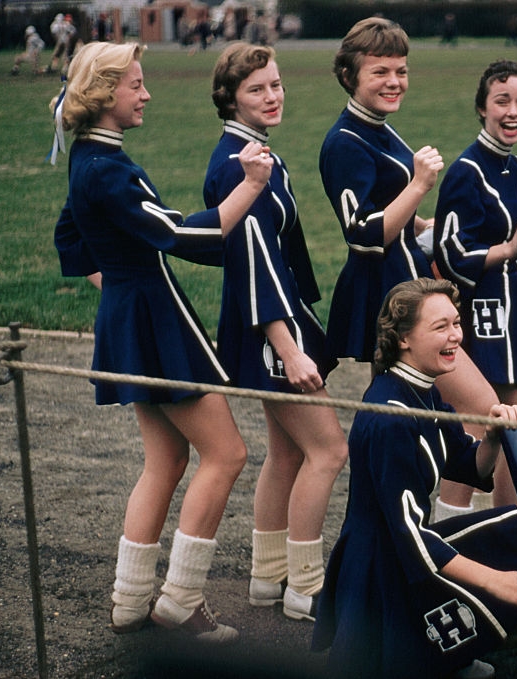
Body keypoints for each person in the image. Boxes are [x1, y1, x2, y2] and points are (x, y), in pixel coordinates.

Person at [52, 41, 274, 643]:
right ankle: (179, 599)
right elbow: (175, 231)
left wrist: (119, 288)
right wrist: (251, 184)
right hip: (155, 320)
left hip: (133, 316)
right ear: (105, 96)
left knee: (167, 460)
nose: (146, 95)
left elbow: (69, 236)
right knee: (226, 455)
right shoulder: (109, 168)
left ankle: (128, 602)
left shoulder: (87, 158)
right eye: (136, 86)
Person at [311, 278, 517, 679]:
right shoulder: (391, 417)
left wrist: (491, 436)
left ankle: (442, 654)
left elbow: (473, 468)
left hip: (407, 550)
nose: (456, 335)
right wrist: (496, 582)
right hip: (382, 570)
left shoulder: (423, 390)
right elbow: (410, 538)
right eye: (441, 327)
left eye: (457, 323)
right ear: (404, 338)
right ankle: (433, 655)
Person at [319, 17, 503, 518]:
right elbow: (362, 232)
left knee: (433, 416)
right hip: (389, 296)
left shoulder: (378, 127)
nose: (395, 81)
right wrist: (419, 185)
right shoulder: (344, 141)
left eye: (401, 70)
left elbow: (393, 218)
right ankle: (447, 529)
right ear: (349, 75)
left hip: (410, 285)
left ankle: (445, 528)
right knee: (481, 410)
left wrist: (428, 223)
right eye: (380, 71)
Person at [203, 42, 348, 623]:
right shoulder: (240, 164)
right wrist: (288, 349)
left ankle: (268, 577)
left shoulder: (255, 153)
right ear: (230, 97)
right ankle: (305, 587)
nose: (273, 96)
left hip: (270, 324)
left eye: (277, 84)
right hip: (270, 331)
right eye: (258, 88)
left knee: (288, 452)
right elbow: (253, 266)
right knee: (328, 450)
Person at [434, 59, 517, 448]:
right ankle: (458, 511)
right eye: (502, 101)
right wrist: (508, 248)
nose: (513, 112)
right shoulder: (467, 170)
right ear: (483, 108)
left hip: (512, 304)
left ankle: (512, 512)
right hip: (480, 310)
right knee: (483, 431)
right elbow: (449, 253)